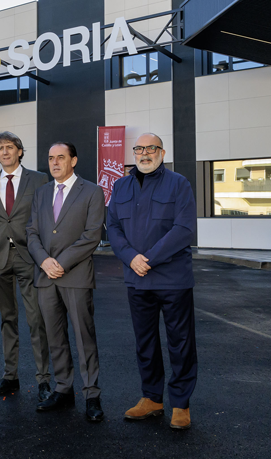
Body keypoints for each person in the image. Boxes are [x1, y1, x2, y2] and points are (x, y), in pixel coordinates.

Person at [106, 133, 198, 430]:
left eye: (151, 148)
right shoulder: (120, 186)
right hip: (137, 279)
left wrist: (149, 258)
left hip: (173, 279)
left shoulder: (178, 183)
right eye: (140, 148)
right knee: (145, 342)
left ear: (162, 152)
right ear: (134, 153)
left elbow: (184, 229)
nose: (145, 153)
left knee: (180, 343)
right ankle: (152, 399)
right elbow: (113, 227)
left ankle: (181, 404)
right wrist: (131, 257)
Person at [26, 142, 105, 422]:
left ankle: (92, 395)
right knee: (55, 337)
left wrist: (61, 262)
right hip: (46, 276)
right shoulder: (42, 192)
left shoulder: (92, 191)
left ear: (74, 160)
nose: (55, 162)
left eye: (61, 157)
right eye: (50, 158)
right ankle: (63, 389)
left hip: (76, 276)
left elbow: (92, 235)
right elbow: (32, 232)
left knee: (84, 338)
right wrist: (44, 261)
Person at [0, 131, 52, 400]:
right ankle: (10, 377)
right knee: (7, 319)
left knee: (36, 320)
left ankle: (43, 379)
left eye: (10, 147)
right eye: (0, 148)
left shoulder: (39, 179)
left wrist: (45, 256)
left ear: (20, 151)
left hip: (30, 256)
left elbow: (46, 218)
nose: (5, 152)